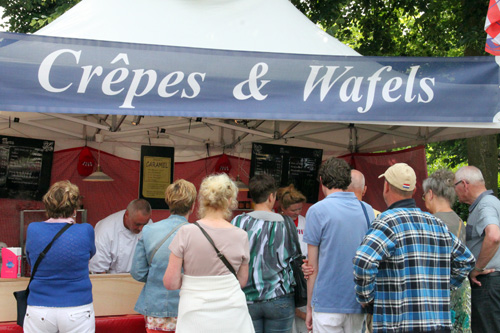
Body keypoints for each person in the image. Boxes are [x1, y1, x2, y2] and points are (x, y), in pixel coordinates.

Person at [353, 163, 475, 333]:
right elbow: (466, 260)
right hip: (438, 324)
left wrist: (366, 298)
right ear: (414, 191)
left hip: (398, 323)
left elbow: (363, 261)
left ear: (386, 186)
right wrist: (444, 287)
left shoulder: (387, 221)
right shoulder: (435, 223)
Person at [163, 173, 254, 333]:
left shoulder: (186, 232)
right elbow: (242, 281)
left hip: (194, 314)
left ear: (202, 200)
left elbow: (170, 283)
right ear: (229, 201)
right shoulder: (241, 236)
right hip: (233, 316)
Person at [303, 157, 374, 333]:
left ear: (322, 180)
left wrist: (309, 307)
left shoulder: (317, 211)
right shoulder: (368, 210)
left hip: (327, 302)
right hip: (357, 301)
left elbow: (312, 268)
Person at [24, 180, 96, 333]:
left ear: (47, 206)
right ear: (75, 208)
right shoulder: (86, 230)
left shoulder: (33, 229)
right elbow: (89, 256)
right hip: (77, 307)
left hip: (39, 307)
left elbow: (31, 261)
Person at [232, 174, 298, 332]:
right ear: (271, 196)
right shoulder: (287, 224)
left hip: (246, 298)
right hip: (280, 297)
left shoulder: (238, 222)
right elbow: (295, 257)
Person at [131, 180, 197, 333]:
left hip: (155, 306)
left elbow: (137, 272)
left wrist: (156, 277)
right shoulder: (198, 233)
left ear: (168, 202)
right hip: (187, 307)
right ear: (193, 205)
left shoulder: (148, 231)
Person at [423, 169, 471, 333]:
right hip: (459, 288)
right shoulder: (458, 220)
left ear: (430, 194)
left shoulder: (432, 222)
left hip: (438, 292)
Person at [454, 165, 500, 333]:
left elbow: (494, 236)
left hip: (488, 282)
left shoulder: (485, 205)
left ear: (464, 184)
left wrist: (477, 268)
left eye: (455, 186)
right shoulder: (492, 203)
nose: (454, 191)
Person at [89, 199, 152, 274]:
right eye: (137, 224)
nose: (141, 228)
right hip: (111, 279)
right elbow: (99, 270)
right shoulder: (105, 230)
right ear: (127, 215)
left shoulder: (149, 226)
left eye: (144, 224)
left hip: (139, 278)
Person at [277, 184, 308, 333]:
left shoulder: (305, 221)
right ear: (282, 208)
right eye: (293, 210)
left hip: (303, 275)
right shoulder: (276, 221)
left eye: (299, 209)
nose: (297, 212)